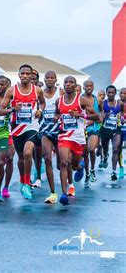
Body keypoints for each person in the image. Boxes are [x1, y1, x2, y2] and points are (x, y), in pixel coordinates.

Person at [0, 64, 45, 200]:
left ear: (31, 76)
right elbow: (1, 111)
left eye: (27, 74)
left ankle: (26, 183)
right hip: (17, 128)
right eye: (22, 73)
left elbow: (42, 103)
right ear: (18, 75)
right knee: (20, 158)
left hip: (32, 126)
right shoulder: (11, 91)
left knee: (28, 153)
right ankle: (22, 179)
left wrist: (40, 111)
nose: (25, 76)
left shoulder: (37, 90)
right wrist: (13, 109)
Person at [55, 76, 99, 205]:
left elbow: (97, 116)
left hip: (78, 138)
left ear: (75, 86)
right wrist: (55, 117)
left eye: (71, 83)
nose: (68, 85)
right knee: (63, 162)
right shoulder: (59, 100)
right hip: (64, 135)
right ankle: (64, 193)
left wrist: (80, 115)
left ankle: (80, 168)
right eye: (66, 83)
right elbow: (57, 113)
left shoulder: (82, 100)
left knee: (74, 165)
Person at [39, 71, 62, 203]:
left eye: (52, 78)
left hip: (59, 131)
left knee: (61, 164)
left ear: (55, 79)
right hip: (45, 131)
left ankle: (68, 185)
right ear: (44, 79)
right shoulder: (40, 93)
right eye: (47, 78)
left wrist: (58, 116)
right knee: (47, 159)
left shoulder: (61, 92)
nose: (49, 80)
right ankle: (53, 193)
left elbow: (66, 107)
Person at [100, 85, 124, 181]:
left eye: (112, 92)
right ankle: (105, 156)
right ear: (106, 93)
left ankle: (114, 172)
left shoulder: (120, 103)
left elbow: (122, 112)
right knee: (105, 148)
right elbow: (101, 114)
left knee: (115, 149)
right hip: (105, 129)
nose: (110, 94)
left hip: (116, 129)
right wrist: (105, 115)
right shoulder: (103, 103)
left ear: (115, 93)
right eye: (109, 92)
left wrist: (121, 118)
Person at [82, 80, 103, 186]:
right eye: (87, 86)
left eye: (91, 86)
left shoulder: (97, 100)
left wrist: (100, 118)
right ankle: (86, 174)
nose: (89, 87)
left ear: (93, 87)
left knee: (91, 149)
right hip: (81, 129)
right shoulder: (80, 99)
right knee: (84, 153)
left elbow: (101, 113)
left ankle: (92, 169)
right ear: (83, 87)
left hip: (93, 129)